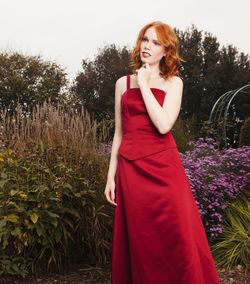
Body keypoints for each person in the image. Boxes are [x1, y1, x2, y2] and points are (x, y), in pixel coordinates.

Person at [104, 20, 220, 284]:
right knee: (142, 240)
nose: (147, 46)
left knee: (175, 236)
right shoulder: (123, 83)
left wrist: (145, 84)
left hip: (165, 170)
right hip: (131, 171)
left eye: (156, 42)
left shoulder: (173, 82)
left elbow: (164, 124)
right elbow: (119, 133)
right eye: (145, 39)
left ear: (166, 51)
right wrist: (110, 176)